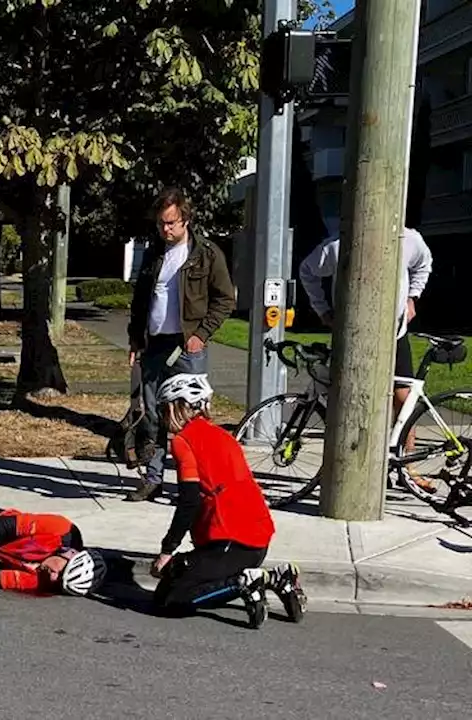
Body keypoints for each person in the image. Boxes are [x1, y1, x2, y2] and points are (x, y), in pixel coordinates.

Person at [148, 373, 305, 629]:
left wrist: (167, 550)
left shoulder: (183, 441)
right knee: (175, 576)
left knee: (171, 601)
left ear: (175, 406)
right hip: (254, 540)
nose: (163, 417)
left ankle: (246, 583)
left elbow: (189, 502)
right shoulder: (221, 434)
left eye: (163, 409)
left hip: (231, 539)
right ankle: (280, 579)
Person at [126, 188, 237, 503]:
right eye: (161, 224)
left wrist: (201, 334)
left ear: (185, 219)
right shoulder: (154, 253)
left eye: (172, 223)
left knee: (191, 415)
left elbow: (225, 299)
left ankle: (198, 482)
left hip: (188, 345)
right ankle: (153, 477)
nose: (166, 229)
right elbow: (140, 299)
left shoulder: (207, 253)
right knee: (151, 414)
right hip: (153, 343)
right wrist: (136, 338)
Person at [299, 227, 434, 467]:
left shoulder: (409, 239)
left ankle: (407, 468)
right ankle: (355, 466)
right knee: (350, 399)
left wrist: (413, 297)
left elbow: (424, 263)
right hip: (352, 335)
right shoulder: (337, 246)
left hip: (395, 333)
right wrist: (323, 310)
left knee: (404, 400)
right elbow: (307, 270)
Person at [0, 504, 108, 597]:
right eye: (61, 572)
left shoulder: (45, 581)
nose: (53, 576)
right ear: (69, 554)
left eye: (59, 582)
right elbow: (3, 525)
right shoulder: (60, 528)